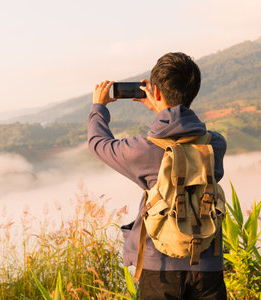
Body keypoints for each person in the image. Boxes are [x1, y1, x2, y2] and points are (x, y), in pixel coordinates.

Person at [87, 52, 227, 300]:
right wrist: (165, 109)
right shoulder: (215, 144)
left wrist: (99, 107)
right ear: (193, 92)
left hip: (159, 267)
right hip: (207, 266)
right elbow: (185, 135)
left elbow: (98, 143)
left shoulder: (142, 150)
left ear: (156, 93)